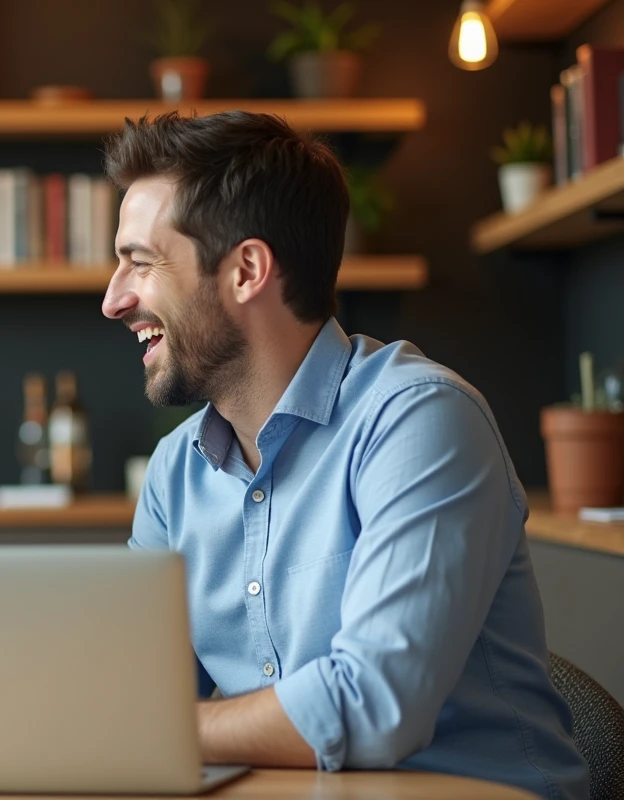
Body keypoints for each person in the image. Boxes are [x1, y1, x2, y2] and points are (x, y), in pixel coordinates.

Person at [101, 111, 589, 799]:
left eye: (141, 263)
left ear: (246, 270)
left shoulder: (419, 421)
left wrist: (157, 726)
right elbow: (128, 697)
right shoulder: (174, 474)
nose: (112, 299)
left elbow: (373, 707)